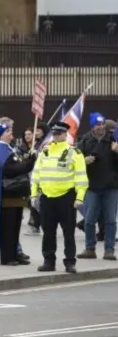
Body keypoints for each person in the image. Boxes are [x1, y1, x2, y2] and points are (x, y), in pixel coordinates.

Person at [31, 122, 87, 273]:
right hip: (47, 197)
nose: (56, 136)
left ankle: (70, 262)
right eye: (54, 133)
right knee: (48, 231)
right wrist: (34, 194)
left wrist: (79, 198)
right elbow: (36, 174)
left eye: (59, 133)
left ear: (65, 134)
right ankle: (49, 261)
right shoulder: (45, 151)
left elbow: (81, 177)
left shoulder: (74, 152)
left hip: (66, 197)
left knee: (68, 232)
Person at [0, 121, 35, 266]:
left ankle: (15, 253)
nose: (11, 133)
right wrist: (29, 162)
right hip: (6, 195)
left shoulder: (9, 149)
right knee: (8, 227)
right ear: (0, 135)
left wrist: (28, 162)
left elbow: (19, 167)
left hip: (15, 194)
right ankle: (7, 257)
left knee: (16, 225)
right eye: (7, 131)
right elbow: (11, 170)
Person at [77, 113, 118, 260]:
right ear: (92, 126)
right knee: (89, 220)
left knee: (110, 220)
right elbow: (74, 160)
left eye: (102, 125)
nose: (100, 127)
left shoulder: (113, 139)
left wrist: (116, 152)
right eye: (97, 125)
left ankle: (109, 250)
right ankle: (90, 248)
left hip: (111, 187)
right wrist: (83, 160)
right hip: (92, 186)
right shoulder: (85, 140)